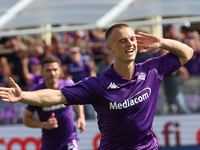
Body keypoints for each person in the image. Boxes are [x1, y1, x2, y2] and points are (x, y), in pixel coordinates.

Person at [0, 23, 193, 149]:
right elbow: (58, 96)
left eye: (132, 39)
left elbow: (187, 53)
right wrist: (23, 96)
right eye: (123, 41)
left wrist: (163, 42)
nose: (130, 44)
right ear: (110, 48)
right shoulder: (98, 84)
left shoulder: (152, 69)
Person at [22, 56, 86, 150]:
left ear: (59, 70)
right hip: (49, 144)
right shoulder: (35, 93)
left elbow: (78, 100)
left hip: (70, 139)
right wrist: (44, 125)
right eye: (48, 70)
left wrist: (81, 116)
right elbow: (26, 120)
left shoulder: (68, 85)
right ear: (42, 72)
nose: (52, 73)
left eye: (55, 69)